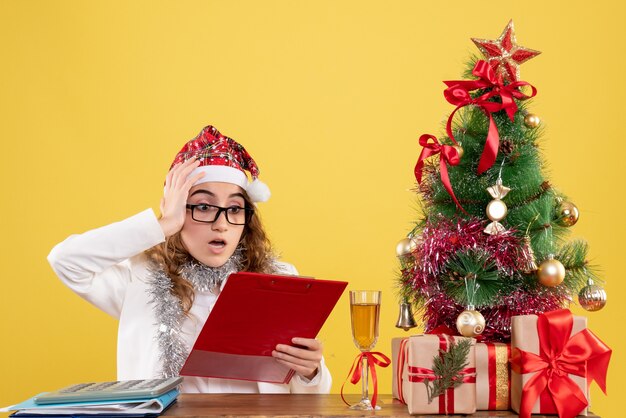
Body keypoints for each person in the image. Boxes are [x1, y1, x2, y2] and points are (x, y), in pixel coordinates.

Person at [48, 125, 331, 393]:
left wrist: (310, 371)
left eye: (234, 208)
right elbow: (66, 260)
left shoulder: (279, 278)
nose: (222, 224)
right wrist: (162, 224)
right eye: (204, 206)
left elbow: (313, 393)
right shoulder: (139, 278)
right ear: (180, 210)